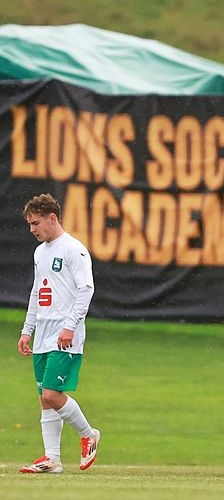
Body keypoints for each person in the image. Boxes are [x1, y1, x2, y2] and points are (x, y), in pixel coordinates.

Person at [17, 194, 100, 474]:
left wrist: (70, 325)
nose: (32, 229)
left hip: (65, 334)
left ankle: (89, 434)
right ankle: (51, 459)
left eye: (36, 223)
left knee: (53, 394)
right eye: (29, 224)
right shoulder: (40, 252)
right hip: (43, 332)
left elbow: (86, 289)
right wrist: (27, 330)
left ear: (52, 218)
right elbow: (36, 292)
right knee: (44, 396)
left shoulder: (73, 249)